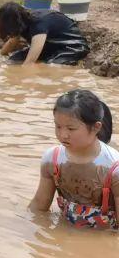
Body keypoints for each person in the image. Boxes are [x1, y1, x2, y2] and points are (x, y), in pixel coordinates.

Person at [30, 90, 119, 230]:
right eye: (58, 126)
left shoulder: (114, 169)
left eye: (71, 129)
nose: (63, 135)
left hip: (102, 237)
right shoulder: (51, 160)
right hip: (64, 234)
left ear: (96, 127)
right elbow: (39, 207)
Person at [0, 2, 90, 65]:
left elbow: (30, 62)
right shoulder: (22, 21)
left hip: (72, 46)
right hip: (50, 46)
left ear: (13, 23)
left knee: (51, 66)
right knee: (14, 59)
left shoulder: (38, 25)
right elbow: (11, 42)